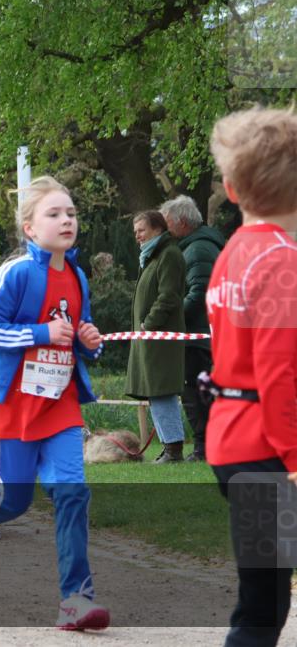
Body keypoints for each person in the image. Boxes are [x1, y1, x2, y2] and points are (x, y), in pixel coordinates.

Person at [0, 175, 110, 631]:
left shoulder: (76, 277)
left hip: (60, 405)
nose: (66, 220)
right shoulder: (17, 272)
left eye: (71, 213)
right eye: (54, 214)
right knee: (12, 501)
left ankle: (76, 598)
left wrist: (88, 342)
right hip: (14, 405)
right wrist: (39, 334)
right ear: (30, 228)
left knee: (72, 493)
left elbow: (78, 335)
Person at [205, 105, 297, 647]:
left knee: (262, 596)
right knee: (262, 607)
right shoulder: (283, 260)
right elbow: (281, 373)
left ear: (232, 189)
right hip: (269, 447)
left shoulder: (235, 252)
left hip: (231, 439)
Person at [159, 195, 225, 462]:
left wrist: (173, 320)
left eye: (168, 224)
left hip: (196, 337)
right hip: (203, 335)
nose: (165, 230)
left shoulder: (197, 250)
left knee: (194, 393)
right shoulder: (200, 246)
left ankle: (203, 449)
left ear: (182, 223)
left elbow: (198, 294)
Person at [126, 210, 187, 463]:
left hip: (159, 338)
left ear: (158, 229)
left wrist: (149, 324)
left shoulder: (169, 255)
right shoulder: (152, 256)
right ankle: (168, 447)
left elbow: (169, 296)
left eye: (141, 230)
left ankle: (173, 450)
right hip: (150, 338)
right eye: (135, 231)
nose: (137, 236)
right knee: (155, 391)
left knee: (162, 390)